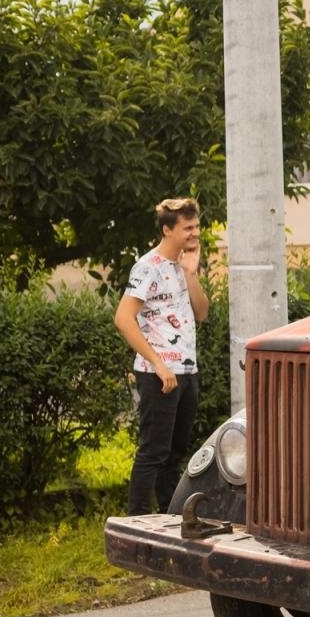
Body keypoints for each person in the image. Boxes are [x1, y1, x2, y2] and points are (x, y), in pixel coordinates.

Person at [115, 198, 209, 516]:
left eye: (196, 226)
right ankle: (137, 523)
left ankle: (170, 519)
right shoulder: (147, 267)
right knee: (153, 451)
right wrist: (157, 363)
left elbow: (202, 313)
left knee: (176, 452)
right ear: (168, 230)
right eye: (188, 228)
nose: (195, 233)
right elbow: (123, 318)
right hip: (159, 374)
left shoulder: (183, 266)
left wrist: (191, 274)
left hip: (186, 370)